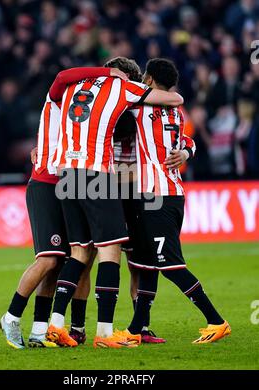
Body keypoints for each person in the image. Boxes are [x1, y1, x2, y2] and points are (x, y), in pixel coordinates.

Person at [47, 57, 184, 348]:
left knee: (80, 253)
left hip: (67, 174)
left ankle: (60, 324)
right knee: (113, 254)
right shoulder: (126, 92)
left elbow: (59, 81)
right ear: (127, 77)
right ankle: (106, 334)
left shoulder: (74, 86)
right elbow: (174, 99)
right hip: (102, 177)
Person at [0, 65, 127, 349]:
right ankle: (11, 316)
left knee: (72, 259)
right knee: (49, 258)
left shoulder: (81, 108)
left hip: (68, 181)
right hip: (45, 181)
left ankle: (41, 330)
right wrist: (107, 74)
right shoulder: (59, 96)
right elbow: (61, 77)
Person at [123, 58, 231, 344]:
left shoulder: (140, 107)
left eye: (145, 76)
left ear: (149, 79)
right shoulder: (176, 111)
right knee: (146, 264)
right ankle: (136, 329)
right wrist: (186, 153)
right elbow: (188, 141)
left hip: (159, 196)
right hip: (166, 194)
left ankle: (216, 321)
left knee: (169, 264)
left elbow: (118, 92)